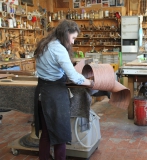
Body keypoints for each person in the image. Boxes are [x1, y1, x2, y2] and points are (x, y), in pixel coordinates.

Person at [33, 19, 94, 160]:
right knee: (60, 134)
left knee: (47, 133)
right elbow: (73, 76)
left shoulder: (45, 43)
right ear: (66, 34)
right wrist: (89, 82)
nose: (73, 42)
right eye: (73, 38)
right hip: (54, 95)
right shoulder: (58, 49)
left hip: (42, 92)